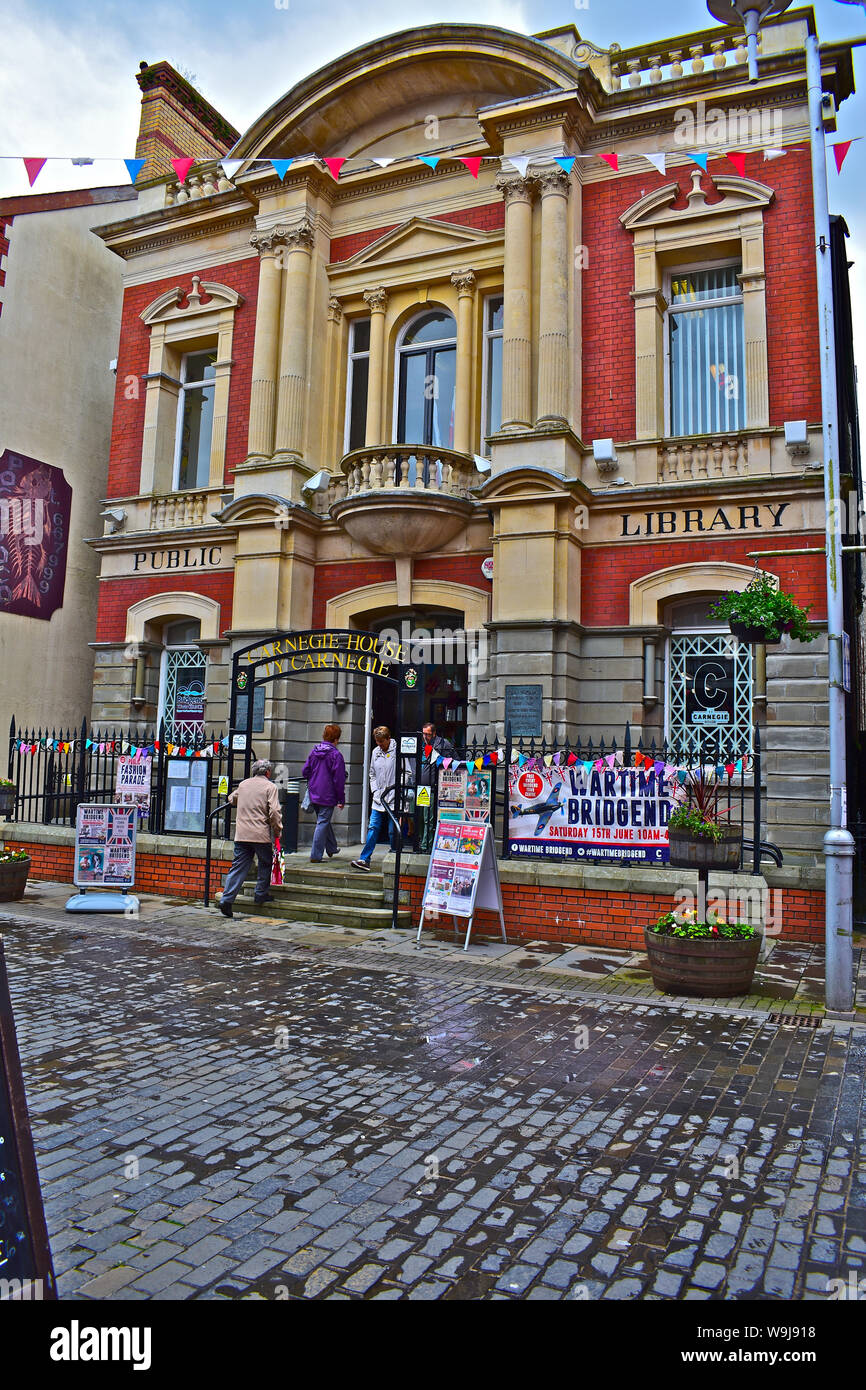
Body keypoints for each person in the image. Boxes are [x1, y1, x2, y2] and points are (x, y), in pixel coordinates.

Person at [219, 759, 282, 917]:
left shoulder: (243, 784)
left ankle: (226, 899)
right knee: (265, 863)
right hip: (260, 834)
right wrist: (277, 830)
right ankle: (260, 894)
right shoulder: (270, 787)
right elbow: (274, 811)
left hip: (241, 834)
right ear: (268, 772)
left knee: (238, 867)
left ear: (254, 771)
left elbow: (231, 798)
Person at [351, 726, 397, 871]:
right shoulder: (375, 752)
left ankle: (395, 857)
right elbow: (372, 774)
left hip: (393, 798)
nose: (379, 745)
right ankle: (364, 859)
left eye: (381, 742)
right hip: (378, 799)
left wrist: (396, 790)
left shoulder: (398, 751)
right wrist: (375, 791)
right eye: (377, 742)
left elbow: (407, 772)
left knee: (392, 830)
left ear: (388, 739)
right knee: (373, 828)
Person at [302, 724, 346, 863]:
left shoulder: (314, 752)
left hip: (314, 793)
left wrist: (315, 778)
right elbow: (338, 780)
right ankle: (315, 855)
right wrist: (341, 799)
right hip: (328, 795)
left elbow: (305, 772)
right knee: (322, 822)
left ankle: (332, 847)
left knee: (323, 820)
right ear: (337, 739)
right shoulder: (336, 755)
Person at [418, 720, 454, 853]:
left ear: (434, 734)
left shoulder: (443, 744)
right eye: (423, 734)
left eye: (427, 734)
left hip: (435, 787)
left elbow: (452, 762)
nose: (425, 737)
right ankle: (421, 841)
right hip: (422, 788)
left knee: (429, 818)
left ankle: (426, 846)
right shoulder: (421, 744)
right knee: (421, 817)